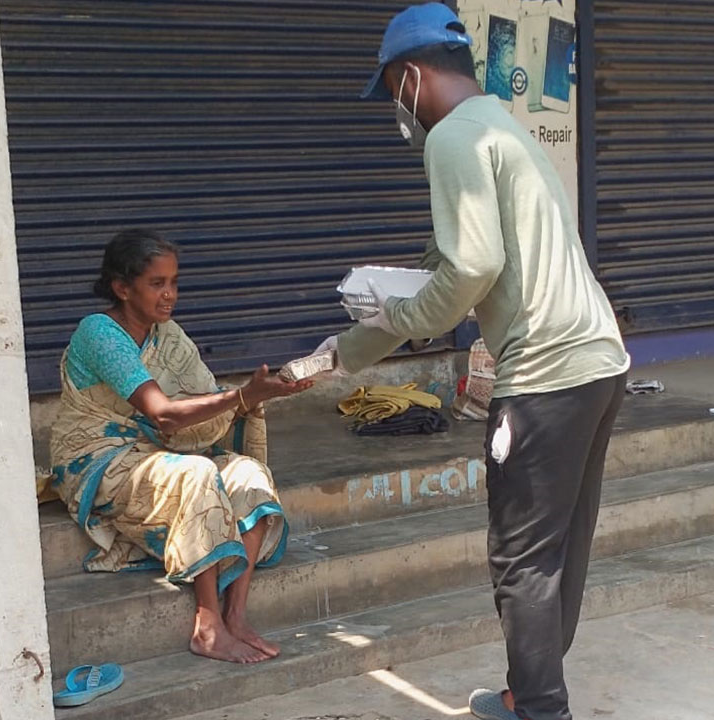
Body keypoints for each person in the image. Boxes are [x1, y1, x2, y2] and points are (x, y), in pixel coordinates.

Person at [316, 4, 630, 719]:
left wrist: (378, 334)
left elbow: (471, 269)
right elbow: (452, 264)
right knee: (557, 549)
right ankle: (527, 692)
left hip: (544, 375)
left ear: (411, 75)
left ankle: (541, 711)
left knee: (521, 560)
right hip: (598, 361)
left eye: (391, 90)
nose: (396, 108)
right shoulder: (501, 124)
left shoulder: (453, 137)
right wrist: (368, 332)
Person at [50, 229, 312, 664]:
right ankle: (207, 626)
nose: (169, 294)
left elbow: (204, 398)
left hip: (154, 453)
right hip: (98, 459)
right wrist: (240, 396)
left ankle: (236, 615)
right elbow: (164, 414)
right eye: (157, 283)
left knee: (248, 473)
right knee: (197, 473)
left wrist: (259, 395)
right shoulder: (99, 333)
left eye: (174, 282)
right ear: (122, 288)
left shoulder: (168, 335)